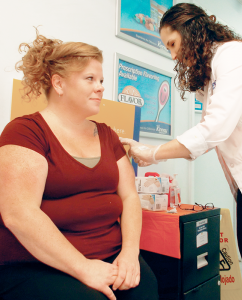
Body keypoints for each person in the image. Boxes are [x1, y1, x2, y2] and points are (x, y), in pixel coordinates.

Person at [120, 3, 242, 300]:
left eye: (173, 44)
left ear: (191, 31)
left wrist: (152, 153)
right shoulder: (210, 77)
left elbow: (213, 131)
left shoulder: (236, 55)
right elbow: (205, 138)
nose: (173, 55)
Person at [0, 30, 158, 300]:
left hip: (110, 255)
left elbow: (130, 196)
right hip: (40, 264)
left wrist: (130, 253)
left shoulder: (107, 134)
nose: (100, 87)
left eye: (101, 80)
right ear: (59, 84)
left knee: (147, 288)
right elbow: (19, 213)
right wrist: (83, 267)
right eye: (90, 79)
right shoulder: (25, 132)